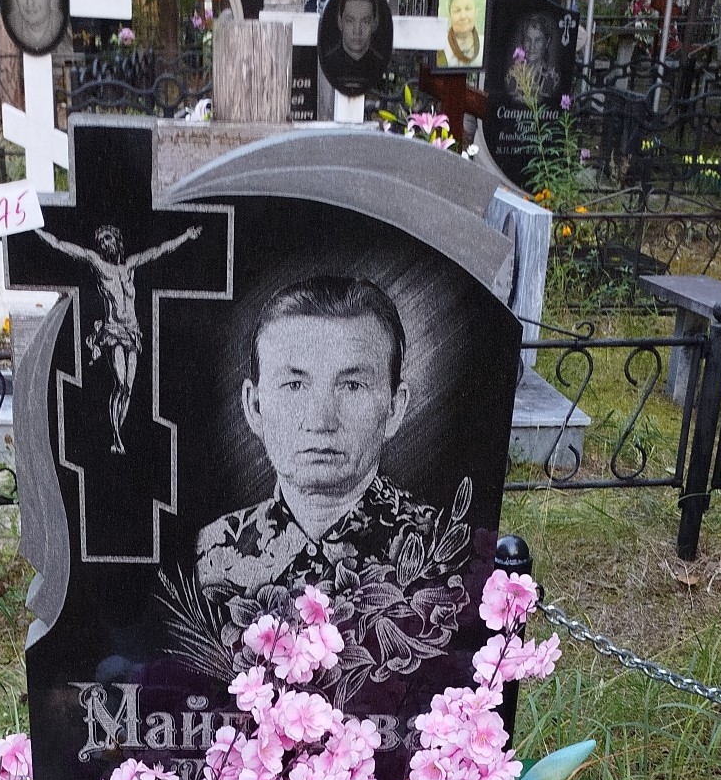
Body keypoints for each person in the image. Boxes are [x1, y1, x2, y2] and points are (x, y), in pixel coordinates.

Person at [166, 275, 471, 701]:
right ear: (254, 406)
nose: (321, 420)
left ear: (394, 408)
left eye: (352, 385)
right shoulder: (210, 553)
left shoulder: (440, 551)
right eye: (295, 384)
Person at [36, 221, 202, 453]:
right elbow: (60, 244)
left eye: (108, 238)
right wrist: (35, 229)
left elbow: (159, 250)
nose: (105, 244)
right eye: (101, 241)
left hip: (132, 331)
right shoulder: (98, 263)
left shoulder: (130, 264)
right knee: (121, 383)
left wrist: (185, 235)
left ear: (117, 241)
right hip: (113, 330)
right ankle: (115, 437)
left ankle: (119, 434)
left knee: (128, 388)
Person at [442, 0, 482, 67]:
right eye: (457, 10)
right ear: (450, 16)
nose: (463, 16)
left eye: (468, 8)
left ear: (476, 13)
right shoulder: (440, 46)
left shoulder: (485, 45)